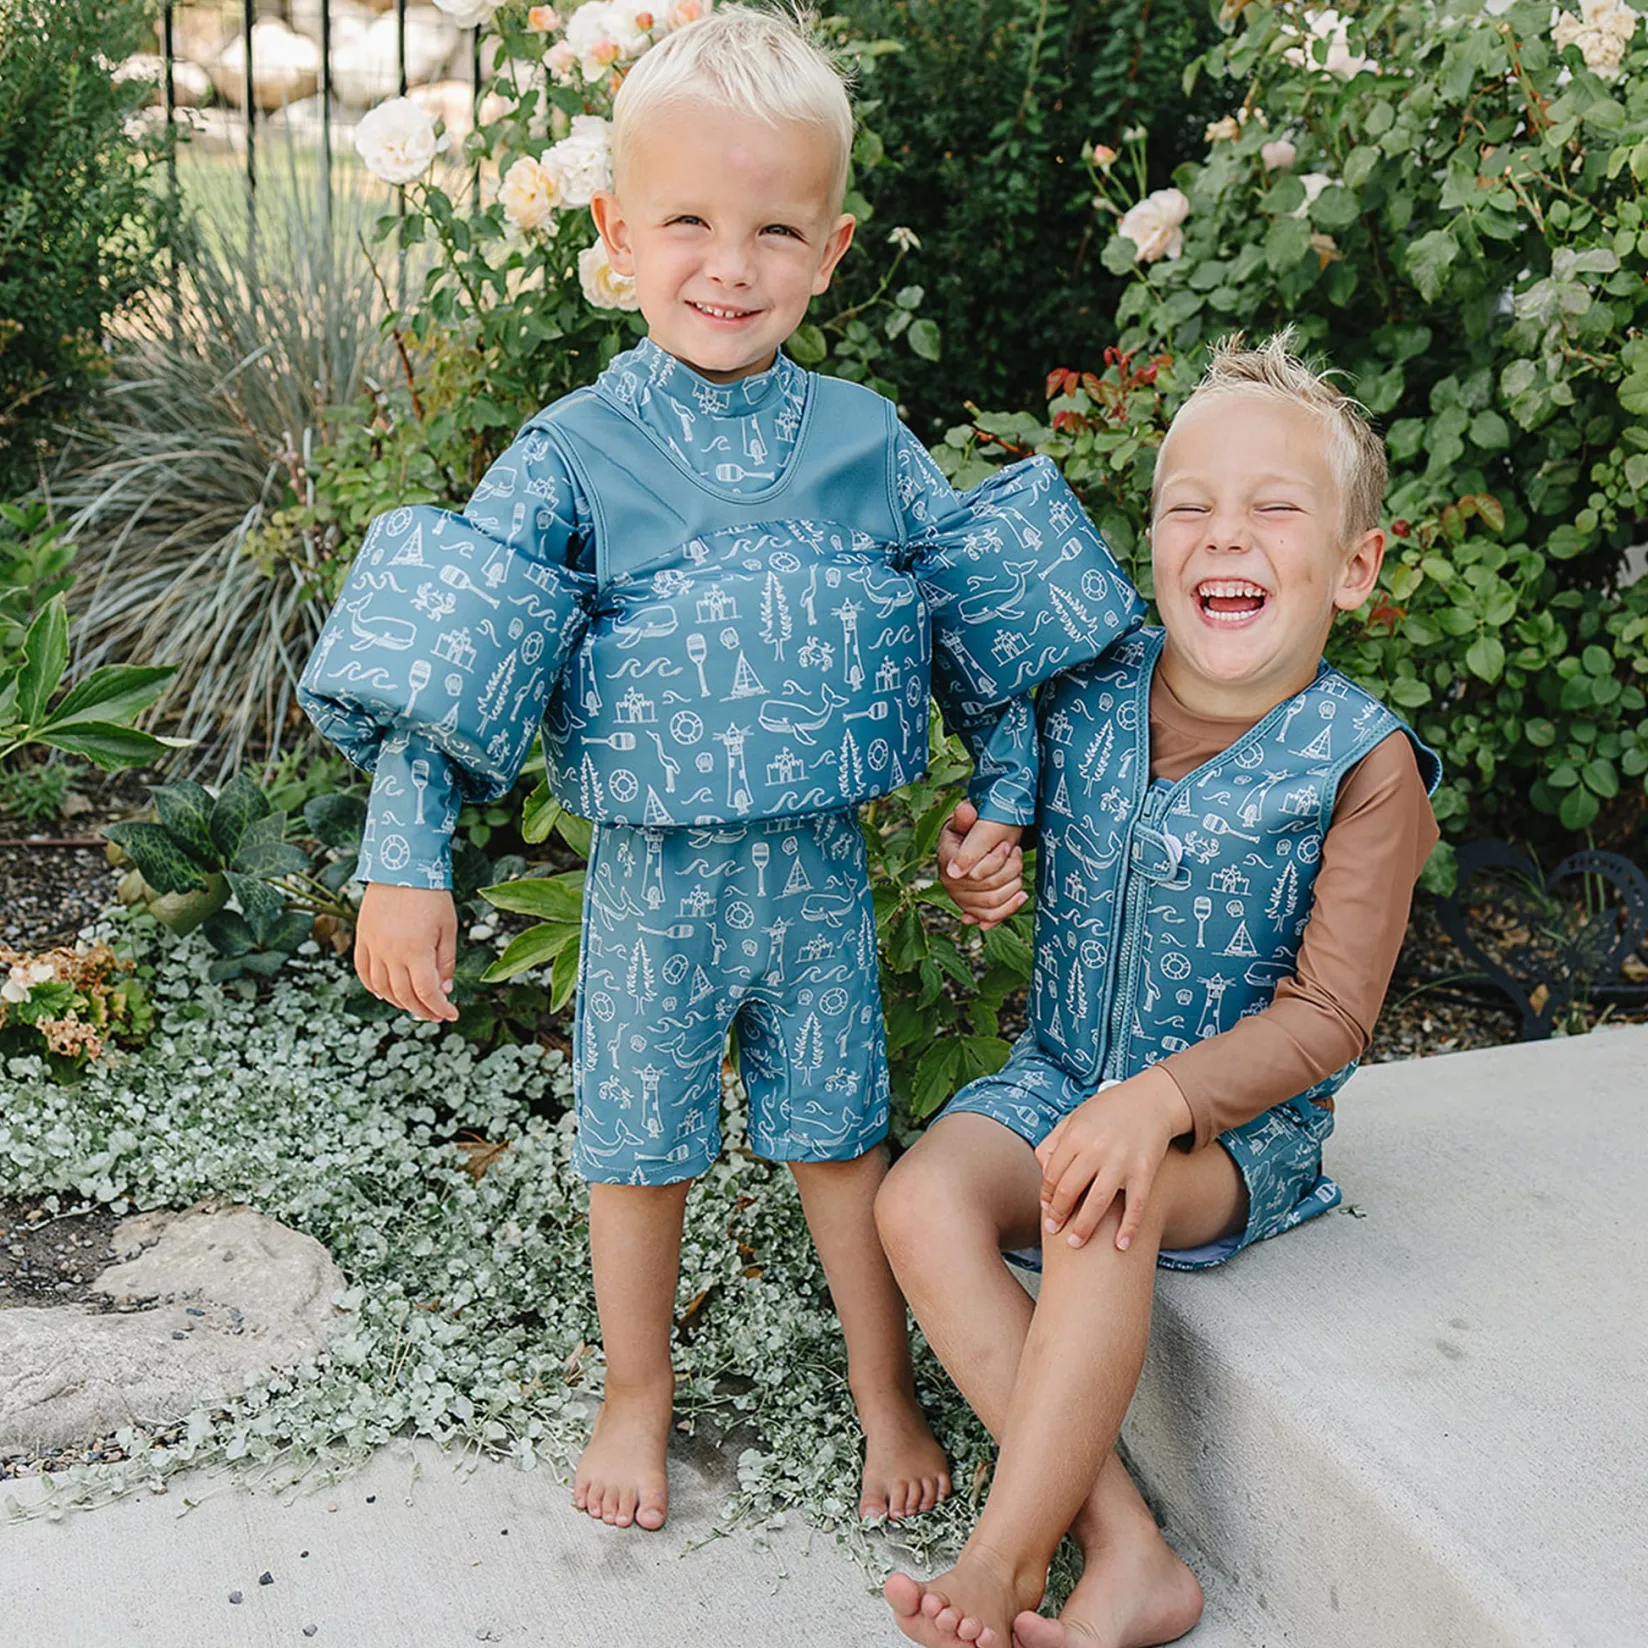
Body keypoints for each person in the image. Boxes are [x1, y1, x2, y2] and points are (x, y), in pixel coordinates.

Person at [296, 7, 1141, 1538]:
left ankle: (882, 1391)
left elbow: (990, 614)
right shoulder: (570, 452)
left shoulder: (866, 440)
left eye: (775, 231)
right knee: (638, 1154)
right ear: (615, 235)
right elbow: (453, 648)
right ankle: (637, 1392)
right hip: (653, 892)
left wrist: (1004, 801)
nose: (729, 266)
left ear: (832, 250)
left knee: (841, 1145)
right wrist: (406, 859)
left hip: (816, 887)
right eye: (686, 223)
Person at [875, 333, 1441, 1647]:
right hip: (1061, 1074)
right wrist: (982, 863)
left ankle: (1006, 1560)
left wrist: (1161, 1104)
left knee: (1098, 1199)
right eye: (1191, 506)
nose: (1224, 533)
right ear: (1154, 543)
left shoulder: (1362, 765)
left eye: (1274, 509)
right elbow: (1003, 826)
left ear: (1355, 567)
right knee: (920, 1200)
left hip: (1231, 1136)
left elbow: (1332, 1016)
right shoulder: (1086, 690)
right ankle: (1130, 1550)